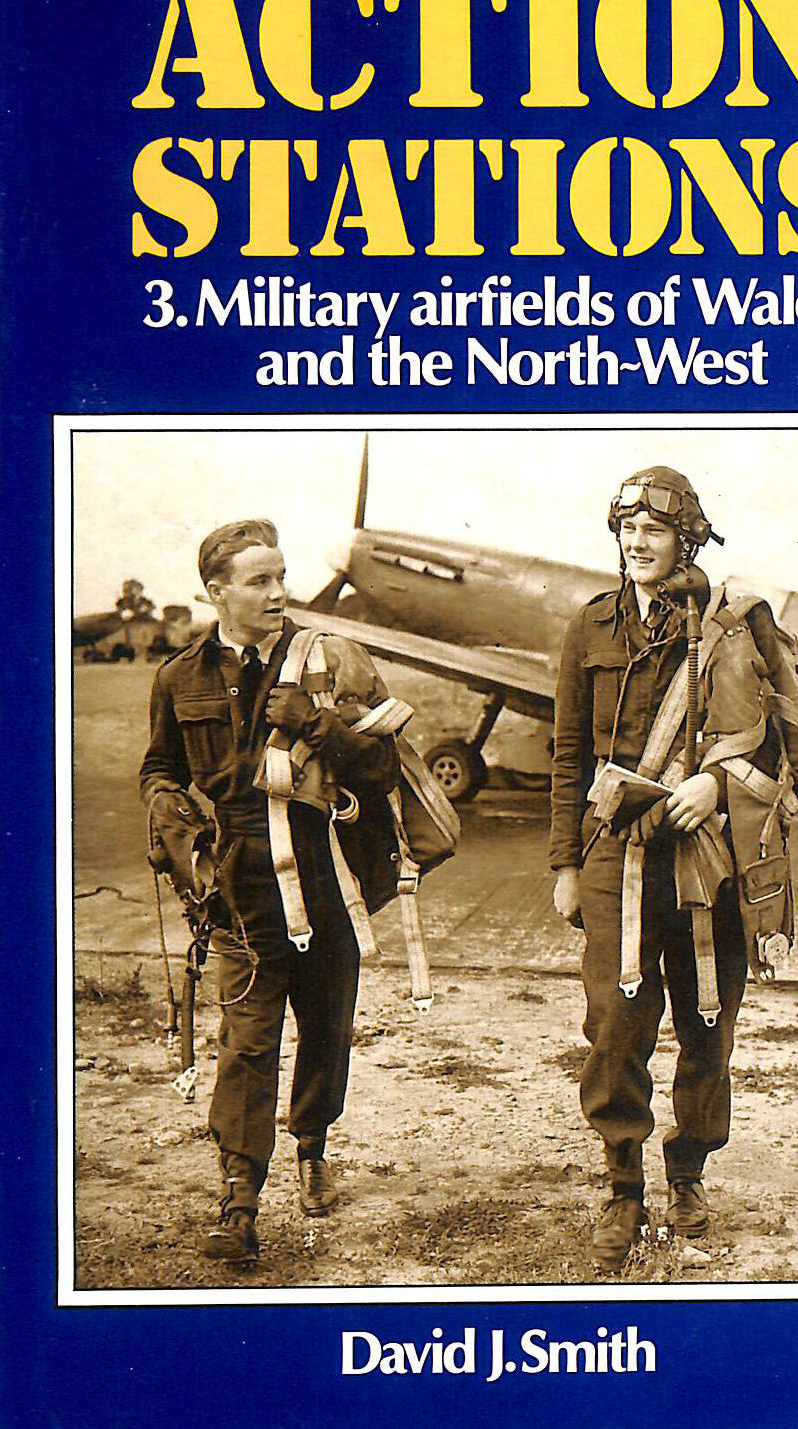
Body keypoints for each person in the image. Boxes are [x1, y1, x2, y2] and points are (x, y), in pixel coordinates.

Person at [550, 466, 798, 1272]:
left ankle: (687, 1172)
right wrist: (564, 864)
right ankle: (623, 1186)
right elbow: (568, 753)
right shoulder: (589, 625)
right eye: (626, 529)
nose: (636, 542)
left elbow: (780, 737)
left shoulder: (729, 624)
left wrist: (715, 782)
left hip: (707, 853)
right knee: (614, 1026)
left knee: (707, 1020)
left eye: (652, 529)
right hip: (614, 854)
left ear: (685, 539)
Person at [140, 519, 402, 1264]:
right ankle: (239, 1199)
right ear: (216, 592)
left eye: (281, 576)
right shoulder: (179, 677)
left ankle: (311, 1146)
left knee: (325, 1029)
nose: (279, 591)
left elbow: (384, 768)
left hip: (326, 876)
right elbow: (158, 768)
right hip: (238, 885)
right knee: (247, 1042)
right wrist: (170, 814)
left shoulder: (331, 659)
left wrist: (319, 726)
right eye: (260, 580)